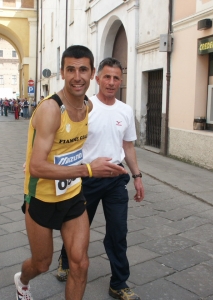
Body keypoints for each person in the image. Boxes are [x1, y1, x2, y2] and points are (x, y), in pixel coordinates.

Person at [16, 46, 127, 300]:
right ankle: (22, 281)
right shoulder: (51, 109)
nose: (77, 76)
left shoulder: (87, 106)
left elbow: (72, 146)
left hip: (72, 194)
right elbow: (36, 167)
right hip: (41, 197)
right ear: (62, 74)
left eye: (83, 70)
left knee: (80, 264)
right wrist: (88, 169)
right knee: (41, 264)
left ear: (92, 74)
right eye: (71, 70)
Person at [57, 57, 145, 300]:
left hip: (116, 179)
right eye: (107, 76)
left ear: (121, 81)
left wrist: (137, 175)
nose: (111, 82)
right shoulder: (84, 107)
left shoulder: (125, 111)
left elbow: (128, 146)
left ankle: (119, 283)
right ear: (97, 78)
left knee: (118, 232)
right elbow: (66, 143)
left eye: (116, 78)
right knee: (76, 231)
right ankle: (65, 260)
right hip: (87, 178)